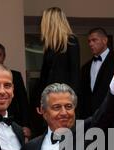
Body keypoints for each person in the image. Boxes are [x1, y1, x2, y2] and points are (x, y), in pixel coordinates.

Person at [31, 7, 80, 137]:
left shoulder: (70, 42)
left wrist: (72, 103)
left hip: (63, 98)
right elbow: (44, 77)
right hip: (50, 99)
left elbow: (75, 74)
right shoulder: (49, 46)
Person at [79, 28, 114, 119]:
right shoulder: (85, 67)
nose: (91, 44)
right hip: (88, 117)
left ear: (105, 40)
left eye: (94, 40)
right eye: (89, 41)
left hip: (111, 116)